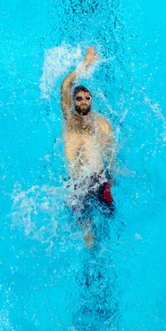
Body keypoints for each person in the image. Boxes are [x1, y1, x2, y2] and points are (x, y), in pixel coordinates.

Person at [60, 45, 117, 247]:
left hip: (99, 180)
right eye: (78, 98)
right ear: (73, 101)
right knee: (88, 235)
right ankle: (91, 259)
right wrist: (85, 65)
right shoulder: (70, 120)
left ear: (92, 99)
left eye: (87, 97)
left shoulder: (102, 123)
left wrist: (111, 177)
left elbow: (111, 152)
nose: (83, 101)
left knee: (111, 220)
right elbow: (66, 85)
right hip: (77, 183)